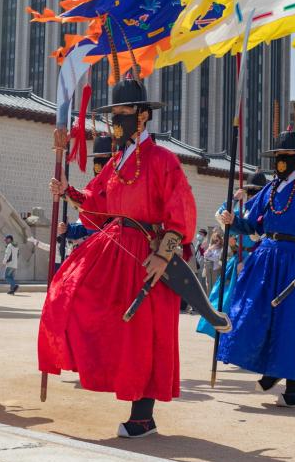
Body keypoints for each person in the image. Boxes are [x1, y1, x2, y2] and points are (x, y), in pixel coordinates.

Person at [40, 76, 201, 437]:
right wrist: (68, 191)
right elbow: (96, 205)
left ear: (142, 116)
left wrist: (163, 256)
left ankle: (143, 414)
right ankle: (95, 369)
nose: (117, 120)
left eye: (124, 113)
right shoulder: (116, 161)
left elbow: (182, 212)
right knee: (69, 294)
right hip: (114, 247)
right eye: (114, 114)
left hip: (147, 253)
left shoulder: (163, 160)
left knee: (142, 332)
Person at [216, 129, 295, 406]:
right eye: (278, 155)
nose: (281, 160)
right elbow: (252, 226)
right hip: (266, 261)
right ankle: (270, 369)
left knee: (293, 321)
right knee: (255, 314)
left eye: (287, 155)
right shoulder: (269, 190)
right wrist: (232, 221)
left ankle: (293, 389)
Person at [197, 170, 268, 339]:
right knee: (225, 297)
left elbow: (260, 237)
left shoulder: (265, 213)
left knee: (251, 300)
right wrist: (234, 199)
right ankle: (225, 334)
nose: (252, 196)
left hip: (256, 261)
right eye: (250, 192)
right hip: (238, 260)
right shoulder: (241, 211)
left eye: (256, 192)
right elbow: (220, 215)